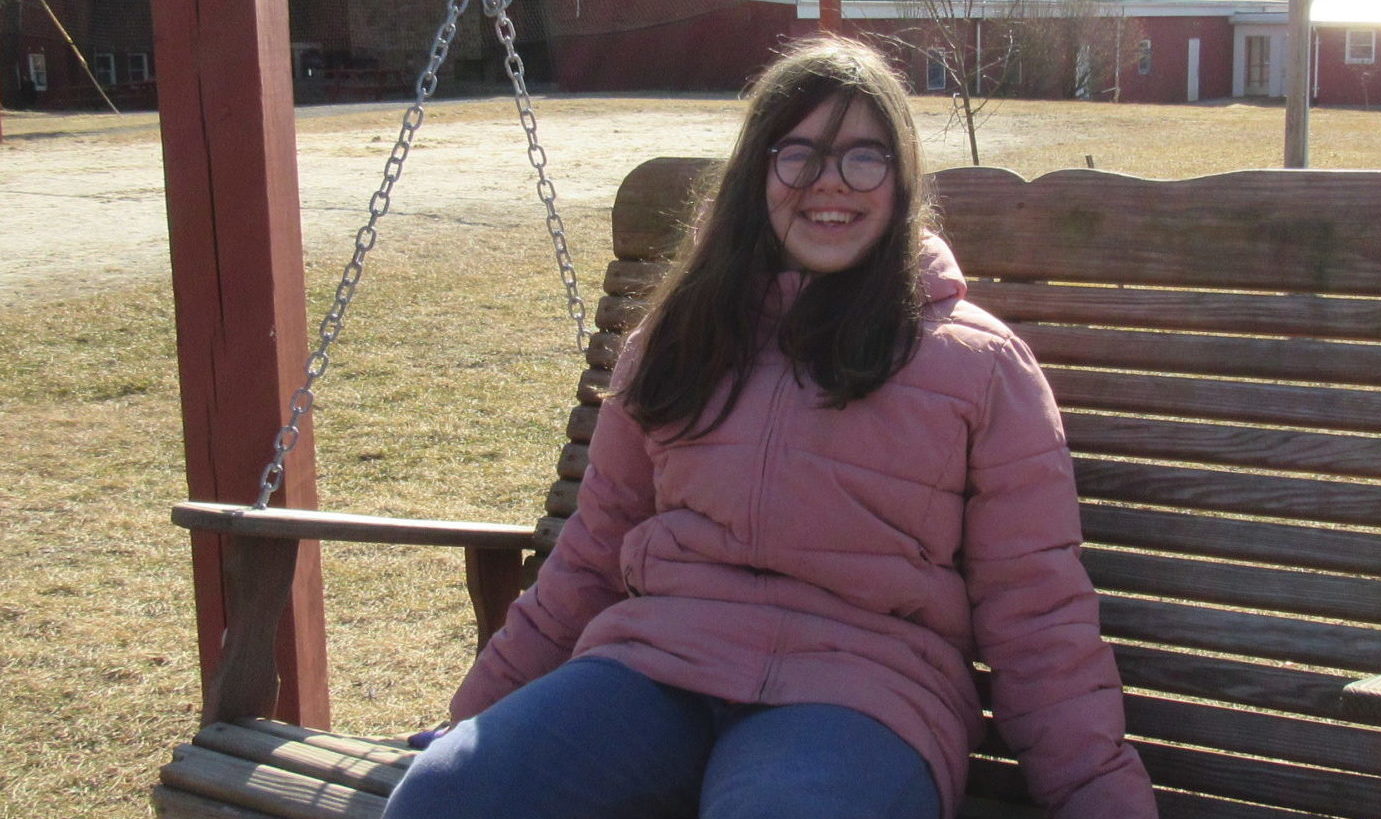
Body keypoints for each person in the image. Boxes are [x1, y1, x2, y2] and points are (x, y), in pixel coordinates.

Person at [384, 36, 1155, 819]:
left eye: (864, 157)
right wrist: (470, 718)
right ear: (758, 172)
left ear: (902, 181)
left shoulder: (981, 368)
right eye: (799, 154)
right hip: (656, 668)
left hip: (862, 696)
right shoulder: (681, 336)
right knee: (443, 800)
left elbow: (1037, 611)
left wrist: (1100, 798)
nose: (830, 183)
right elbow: (592, 550)